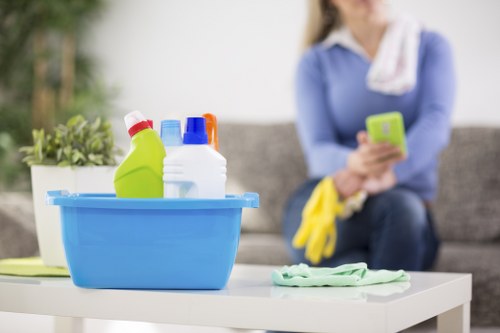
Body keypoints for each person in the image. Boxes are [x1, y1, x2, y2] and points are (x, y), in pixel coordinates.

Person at [283, 0, 455, 271]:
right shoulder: (316, 61)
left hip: (404, 206)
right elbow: (317, 149)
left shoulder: (429, 46)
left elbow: (436, 123)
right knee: (357, 263)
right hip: (331, 199)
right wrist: (355, 163)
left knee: (400, 214)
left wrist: (391, 173)